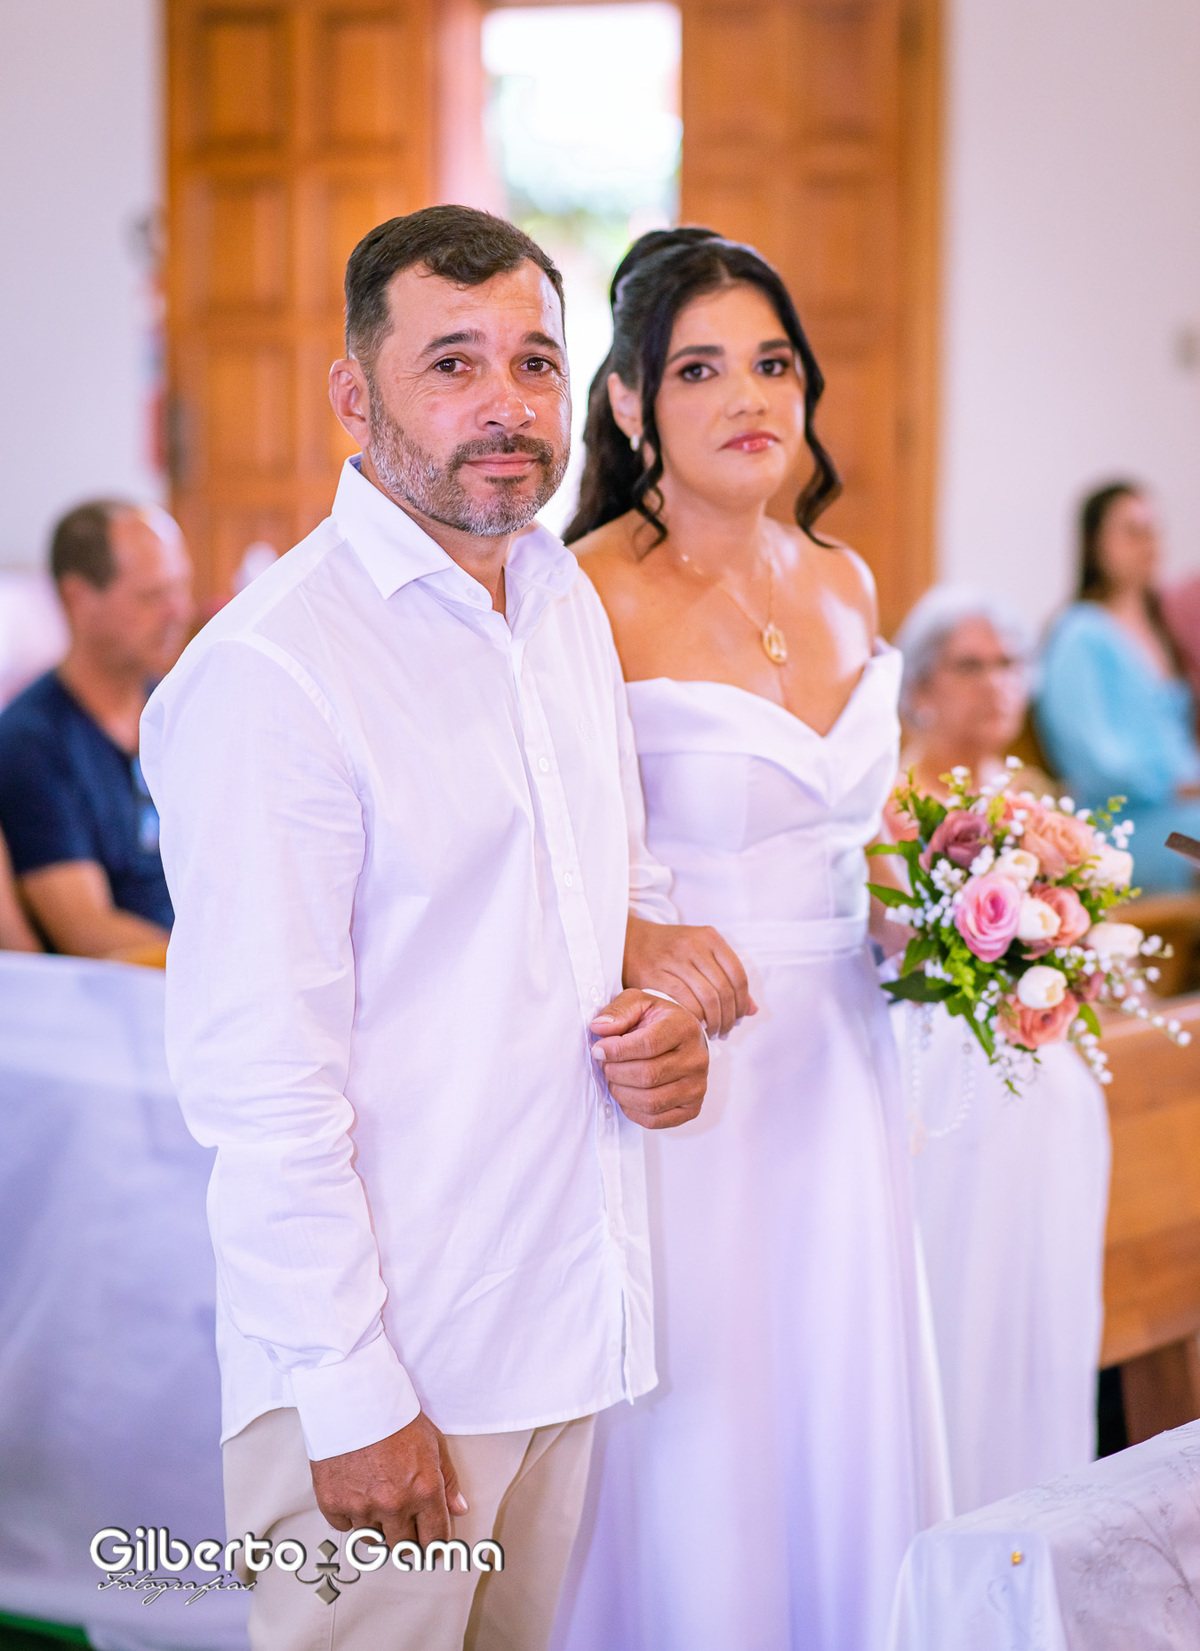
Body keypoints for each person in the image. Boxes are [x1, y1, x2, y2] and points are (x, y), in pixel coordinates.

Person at [139, 207, 735, 1651]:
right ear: (355, 396)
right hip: (392, 1367)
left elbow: (617, 892)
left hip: (564, 1320)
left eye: (535, 361)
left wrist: (666, 1013)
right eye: (452, 364)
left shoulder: (559, 602)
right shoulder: (275, 670)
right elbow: (259, 1082)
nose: (506, 405)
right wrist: (350, 1390)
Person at [550, 228, 947, 1651]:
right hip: (690, 1079)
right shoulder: (582, 591)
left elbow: (862, 833)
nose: (747, 397)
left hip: (843, 1059)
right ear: (629, 402)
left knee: (836, 1384)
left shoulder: (843, 578)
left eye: (772, 363)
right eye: (700, 369)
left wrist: (959, 908)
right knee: (706, 1421)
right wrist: (635, 929)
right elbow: (523, 848)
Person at [889, 586, 1111, 1512]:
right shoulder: (892, 806)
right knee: (962, 1297)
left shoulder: (1037, 806)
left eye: (1011, 663)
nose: (997, 684)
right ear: (921, 687)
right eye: (971, 665)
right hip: (940, 1083)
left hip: (1044, 1087)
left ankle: (1044, 1498)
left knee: (1043, 1303)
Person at [0, 500, 191, 958]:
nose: (178, 611)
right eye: (152, 596)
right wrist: (220, 975)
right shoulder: (31, 741)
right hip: (134, 985)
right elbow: (88, 933)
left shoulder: (180, 706)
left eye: (181, 588)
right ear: (78, 599)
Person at [1036, 481, 1200, 891]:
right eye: (1132, 531)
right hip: (1124, 831)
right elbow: (1094, 762)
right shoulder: (1079, 634)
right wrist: (1173, 783)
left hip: (1180, 815)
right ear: (1095, 543)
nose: (1148, 545)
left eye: (1153, 532)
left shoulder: (1161, 630)